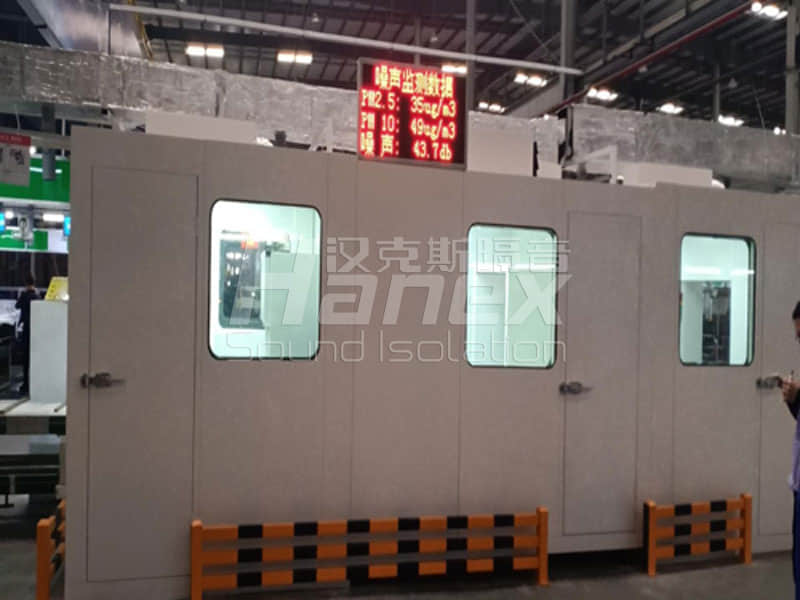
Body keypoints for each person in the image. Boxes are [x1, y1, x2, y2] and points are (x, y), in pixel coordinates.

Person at [15, 274, 38, 396]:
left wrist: (21, 294)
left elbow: (17, 306)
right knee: (33, 357)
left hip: (26, 329)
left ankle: (25, 384)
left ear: (26, 284)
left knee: (25, 358)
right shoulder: (36, 296)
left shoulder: (24, 296)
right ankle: (33, 382)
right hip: (35, 328)